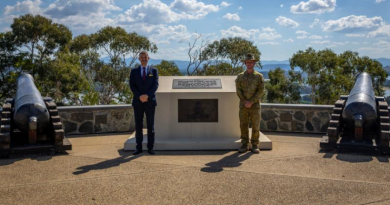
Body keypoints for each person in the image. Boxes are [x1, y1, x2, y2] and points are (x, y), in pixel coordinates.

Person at [129, 51, 159, 155]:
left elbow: (155, 85)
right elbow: (132, 85)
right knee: (138, 125)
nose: (143, 59)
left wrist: (147, 96)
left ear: (148, 58)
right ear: (139, 59)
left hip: (150, 102)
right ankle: (138, 147)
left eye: (145, 57)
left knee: (151, 126)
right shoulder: (134, 71)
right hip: (138, 102)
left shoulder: (154, 70)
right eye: (142, 57)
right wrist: (139, 96)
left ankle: (150, 148)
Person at [235, 53, 265, 154]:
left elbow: (261, 91)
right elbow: (238, 90)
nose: (249, 64)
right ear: (245, 63)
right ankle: (244, 144)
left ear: (254, 63)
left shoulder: (259, 77)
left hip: (255, 106)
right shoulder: (240, 77)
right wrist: (245, 102)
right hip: (243, 106)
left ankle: (255, 144)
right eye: (248, 62)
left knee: (255, 125)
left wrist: (251, 102)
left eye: (251, 62)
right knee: (243, 125)